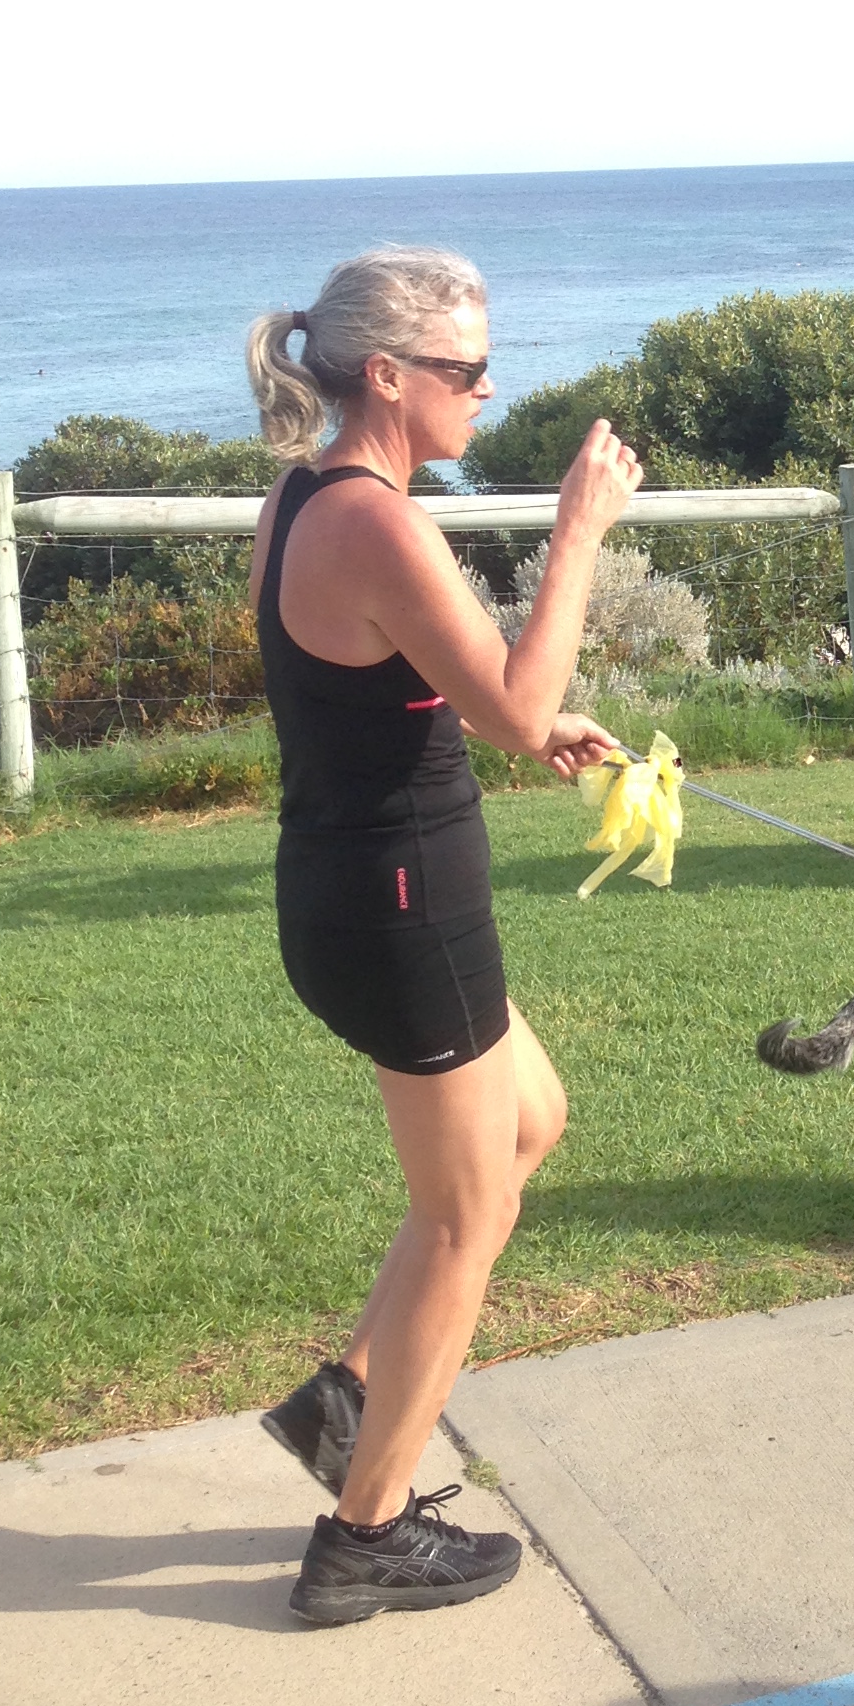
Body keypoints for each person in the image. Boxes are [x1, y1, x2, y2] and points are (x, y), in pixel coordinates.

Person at [243, 247, 642, 1627]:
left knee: (531, 1115)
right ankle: (365, 1537)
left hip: (365, 889)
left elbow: (422, 688)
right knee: (468, 1214)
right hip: (401, 907)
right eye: (468, 370)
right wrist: (581, 528)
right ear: (390, 377)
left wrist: (513, 717)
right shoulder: (377, 522)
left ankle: (348, 1400)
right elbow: (519, 705)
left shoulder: (312, 497)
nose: (488, 389)